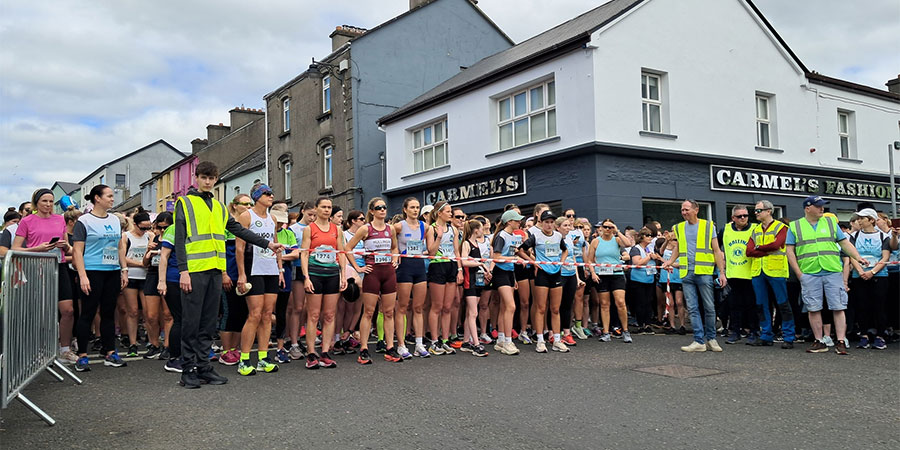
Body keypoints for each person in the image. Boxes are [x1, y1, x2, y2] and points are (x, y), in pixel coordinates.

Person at [172, 162, 283, 388]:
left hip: (215, 269)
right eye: (204, 177)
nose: (207, 182)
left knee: (208, 322)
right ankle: (188, 370)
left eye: (211, 178)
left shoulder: (219, 206)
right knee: (191, 322)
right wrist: (183, 271)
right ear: (196, 178)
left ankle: (204, 367)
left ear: (216, 180)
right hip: (193, 270)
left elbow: (238, 230)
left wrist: (268, 244)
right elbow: (179, 239)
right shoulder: (184, 202)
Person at [785, 196, 866, 355]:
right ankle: (819, 341)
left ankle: (840, 341)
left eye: (823, 206)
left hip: (832, 270)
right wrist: (799, 273)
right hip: (809, 272)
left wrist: (857, 257)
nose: (822, 209)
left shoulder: (830, 223)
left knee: (838, 306)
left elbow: (844, 243)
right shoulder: (795, 226)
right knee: (813, 308)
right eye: (818, 206)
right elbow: (789, 251)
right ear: (808, 208)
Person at [12, 188, 75, 362]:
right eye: (44, 201)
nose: (48, 205)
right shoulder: (27, 221)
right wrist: (37, 249)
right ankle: (39, 349)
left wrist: (65, 246)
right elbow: (15, 248)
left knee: (68, 310)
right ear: (36, 203)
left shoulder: (59, 219)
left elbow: (69, 248)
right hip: (37, 268)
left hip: (59, 266)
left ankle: (65, 349)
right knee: (41, 312)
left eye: (51, 201)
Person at [71, 185, 128, 371]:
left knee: (108, 313)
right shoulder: (84, 221)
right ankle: (82, 356)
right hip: (92, 271)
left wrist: (124, 269)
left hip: (112, 271)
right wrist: (83, 276)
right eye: (109, 196)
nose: (112, 199)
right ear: (97, 198)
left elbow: (120, 246)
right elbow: (77, 251)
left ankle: (110, 352)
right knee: (87, 313)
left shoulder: (115, 219)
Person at [662, 200, 727, 353]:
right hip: (686, 272)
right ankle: (699, 340)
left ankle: (711, 339)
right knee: (692, 308)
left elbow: (716, 250)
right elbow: (678, 247)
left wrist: (721, 272)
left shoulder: (708, 226)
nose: (684, 212)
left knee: (709, 307)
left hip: (704, 271)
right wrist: (670, 261)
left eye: (686, 209)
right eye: (682, 210)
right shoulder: (679, 228)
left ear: (696, 210)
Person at [235, 184, 284, 376]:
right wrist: (241, 274)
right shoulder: (247, 216)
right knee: (254, 314)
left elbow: (275, 244)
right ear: (257, 197)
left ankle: (263, 358)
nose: (271, 196)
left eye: (272, 193)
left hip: (270, 269)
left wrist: (280, 269)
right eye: (267, 193)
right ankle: (244, 359)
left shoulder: (272, 218)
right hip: (253, 268)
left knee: (267, 314)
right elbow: (240, 248)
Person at [346, 197, 402, 364]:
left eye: (384, 207)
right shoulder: (365, 229)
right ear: (372, 211)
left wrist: (395, 259)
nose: (382, 210)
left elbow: (394, 247)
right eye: (378, 208)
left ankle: (390, 347)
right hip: (373, 273)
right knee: (369, 312)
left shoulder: (390, 228)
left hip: (388, 272)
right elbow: (348, 248)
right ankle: (364, 348)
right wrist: (358, 267)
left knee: (389, 312)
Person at [300, 197, 347, 369]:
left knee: (329, 315)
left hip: (332, 274)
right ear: (317, 209)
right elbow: (304, 253)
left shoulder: (337, 229)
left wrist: (343, 276)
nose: (327, 210)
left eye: (329, 207)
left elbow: (341, 252)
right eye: (324, 207)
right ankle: (311, 353)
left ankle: (325, 352)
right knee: (313, 315)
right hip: (315, 274)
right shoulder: (309, 229)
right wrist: (306, 277)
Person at [746, 200, 795, 349]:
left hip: (776, 269)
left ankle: (788, 336)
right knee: (761, 304)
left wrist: (758, 248)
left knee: (782, 304)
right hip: (758, 270)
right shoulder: (755, 229)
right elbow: (748, 251)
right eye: (755, 210)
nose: (755, 213)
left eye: (758, 210)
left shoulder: (782, 227)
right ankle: (766, 335)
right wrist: (765, 250)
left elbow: (777, 245)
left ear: (769, 211)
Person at [518, 210, 568, 353]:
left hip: (556, 273)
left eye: (552, 222)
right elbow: (521, 250)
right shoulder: (536, 236)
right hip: (542, 274)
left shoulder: (558, 236)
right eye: (546, 222)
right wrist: (533, 262)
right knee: (541, 307)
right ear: (541, 223)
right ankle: (540, 340)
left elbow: (565, 250)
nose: (549, 225)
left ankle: (557, 340)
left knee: (555, 309)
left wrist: (561, 262)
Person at [843, 208, 890, 350]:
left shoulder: (883, 236)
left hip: (879, 276)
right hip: (859, 276)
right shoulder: (854, 236)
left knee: (879, 306)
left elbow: (885, 256)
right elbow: (852, 254)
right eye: (858, 218)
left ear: (871, 220)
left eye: (862, 218)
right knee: (862, 306)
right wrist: (860, 271)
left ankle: (880, 336)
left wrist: (873, 272)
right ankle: (864, 335)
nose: (859, 221)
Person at [218, 195, 252, 366]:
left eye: (250, 204)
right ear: (235, 205)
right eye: (245, 204)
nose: (248, 206)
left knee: (242, 312)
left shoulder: (249, 224)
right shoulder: (226, 225)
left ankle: (235, 348)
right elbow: (220, 251)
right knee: (228, 312)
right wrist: (224, 273)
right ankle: (225, 351)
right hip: (229, 274)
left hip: (245, 274)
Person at [393, 197, 430, 358]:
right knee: (402, 307)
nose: (415, 210)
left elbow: (431, 248)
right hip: (405, 268)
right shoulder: (399, 226)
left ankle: (419, 344)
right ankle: (401, 345)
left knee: (418, 307)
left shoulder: (425, 226)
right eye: (412, 207)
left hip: (419, 266)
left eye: (417, 207)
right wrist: (396, 255)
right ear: (405, 209)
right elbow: (391, 243)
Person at [425, 201, 463, 355]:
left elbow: (456, 251)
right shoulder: (431, 229)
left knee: (448, 306)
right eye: (448, 211)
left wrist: (460, 269)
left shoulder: (453, 229)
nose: (451, 214)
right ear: (439, 213)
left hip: (451, 265)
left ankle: (445, 340)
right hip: (437, 265)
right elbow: (431, 252)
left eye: (451, 211)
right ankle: (434, 341)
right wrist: (439, 237)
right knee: (437, 306)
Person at [586, 219, 632, 343]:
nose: (607, 229)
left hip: (616, 273)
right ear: (601, 228)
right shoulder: (596, 241)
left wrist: (617, 231)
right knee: (604, 304)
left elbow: (628, 244)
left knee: (620, 302)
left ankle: (625, 330)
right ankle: (606, 332)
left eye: (610, 227)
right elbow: (590, 260)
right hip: (602, 274)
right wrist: (593, 273)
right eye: (605, 227)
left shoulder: (616, 240)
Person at [719, 205, 760, 345]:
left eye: (745, 215)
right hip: (733, 274)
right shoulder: (725, 230)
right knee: (734, 305)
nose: (743, 218)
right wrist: (722, 265)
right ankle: (735, 332)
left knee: (751, 305)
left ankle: (754, 331)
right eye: (739, 216)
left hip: (751, 274)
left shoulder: (755, 228)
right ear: (733, 218)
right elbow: (716, 247)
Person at [491, 209, 525, 355]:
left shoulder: (512, 236)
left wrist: (514, 278)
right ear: (509, 222)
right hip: (501, 273)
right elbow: (496, 258)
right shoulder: (501, 236)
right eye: (517, 220)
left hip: (510, 273)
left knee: (505, 307)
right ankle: (508, 342)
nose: (520, 222)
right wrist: (515, 259)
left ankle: (500, 340)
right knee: (511, 306)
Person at [120, 212, 152, 357]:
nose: (145, 231)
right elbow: (122, 257)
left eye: (148, 227)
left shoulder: (150, 236)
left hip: (146, 277)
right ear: (135, 224)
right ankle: (132, 343)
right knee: (132, 311)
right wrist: (141, 264)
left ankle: (151, 340)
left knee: (148, 312)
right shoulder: (126, 236)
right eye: (142, 228)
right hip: (132, 276)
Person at [140, 212, 172, 360]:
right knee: (151, 315)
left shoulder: (174, 238)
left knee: (168, 314)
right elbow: (144, 263)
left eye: (166, 227)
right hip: (153, 275)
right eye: (160, 227)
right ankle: (154, 344)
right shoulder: (154, 238)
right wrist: (148, 252)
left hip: (168, 275)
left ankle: (168, 345)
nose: (163, 230)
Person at [287, 201, 316, 359]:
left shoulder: (316, 228)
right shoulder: (294, 229)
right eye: (310, 214)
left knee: (308, 308)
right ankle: (293, 342)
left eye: (314, 215)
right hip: (297, 268)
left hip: (314, 268)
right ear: (303, 211)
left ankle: (302, 338)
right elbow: (292, 250)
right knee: (297, 307)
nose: (312, 218)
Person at [271, 203, 299, 363]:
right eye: (278, 220)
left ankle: (280, 348)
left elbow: (295, 254)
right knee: (265, 312)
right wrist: (279, 257)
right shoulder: (265, 231)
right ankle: (262, 348)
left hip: (285, 273)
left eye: (283, 220)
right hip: (267, 273)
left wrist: (279, 257)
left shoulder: (288, 233)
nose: (280, 223)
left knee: (281, 311)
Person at [459, 219, 490, 356]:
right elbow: (464, 261)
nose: (483, 231)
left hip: (478, 280)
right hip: (469, 281)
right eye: (481, 228)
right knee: (473, 313)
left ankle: (466, 341)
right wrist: (480, 264)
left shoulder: (477, 243)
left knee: (470, 313)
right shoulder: (466, 243)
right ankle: (476, 344)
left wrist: (485, 270)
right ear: (476, 230)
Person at [558, 216, 584, 346]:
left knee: (568, 304)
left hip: (571, 274)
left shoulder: (569, 238)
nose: (568, 228)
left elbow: (573, 257)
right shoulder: (556, 238)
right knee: (556, 305)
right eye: (565, 225)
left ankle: (567, 333)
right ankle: (555, 333)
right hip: (560, 274)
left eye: (569, 225)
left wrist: (577, 277)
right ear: (558, 227)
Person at [627, 227, 658, 334]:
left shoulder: (649, 248)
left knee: (648, 302)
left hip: (649, 279)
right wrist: (649, 257)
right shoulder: (636, 249)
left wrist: (654, 257)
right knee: (640, 302)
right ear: (641, 237)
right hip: (638, 279)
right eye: (647, 235)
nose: (650, 238)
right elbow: (637, 262)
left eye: (651, 236)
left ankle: (647, 324)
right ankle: (640, 325)